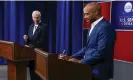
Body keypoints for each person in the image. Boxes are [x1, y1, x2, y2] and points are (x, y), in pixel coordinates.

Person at [59, 2, 116, 80]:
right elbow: (87, 48)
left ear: (95, 12)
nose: (85, 17)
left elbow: (101, 53)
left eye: (87, 14)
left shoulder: (105, 28)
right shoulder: (93, 26)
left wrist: (80, 62)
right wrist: (70, 57)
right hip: (88, 70)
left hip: (99, 72)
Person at [23, 10, 49, 80]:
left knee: (38, 74)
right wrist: (26, 39)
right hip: (31, 54)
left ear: (40, 17)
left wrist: (31, 46)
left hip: (39, 54)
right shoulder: (31, 26)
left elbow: (42, 42)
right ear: (32, 18)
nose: (36, 19)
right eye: (34, 17)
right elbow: (30, 41)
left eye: (37, 17)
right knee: (31, 72)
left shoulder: (44, 27)